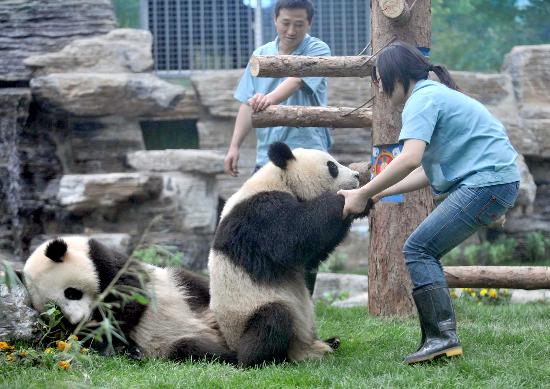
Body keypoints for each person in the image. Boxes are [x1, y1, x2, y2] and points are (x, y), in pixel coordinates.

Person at [338, 41, 520, 364]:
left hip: (487, 182)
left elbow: (408, 159)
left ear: (395, 75)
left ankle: (442, 339)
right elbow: (422, 170)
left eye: (378, 79)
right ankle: (437, 339)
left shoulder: (421, 100)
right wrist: (376, 193)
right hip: (494, 181)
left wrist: (363, 193)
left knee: (419, 249)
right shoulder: (433, 95)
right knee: (422, 248)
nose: (378, 88)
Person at [225, 0, 332, 295]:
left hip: (308, 159)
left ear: (309, 23)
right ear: (274, 19)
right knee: (264, 235)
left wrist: (270, 99)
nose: (291, 30)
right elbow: (248, 103)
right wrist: (234, 145)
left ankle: (304, 308)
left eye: (299, 24)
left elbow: (297, 81)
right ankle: (269, 300)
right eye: (285, 22)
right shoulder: (261, 55)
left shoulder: (318, 50)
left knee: (308, 239)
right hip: (267, 160)